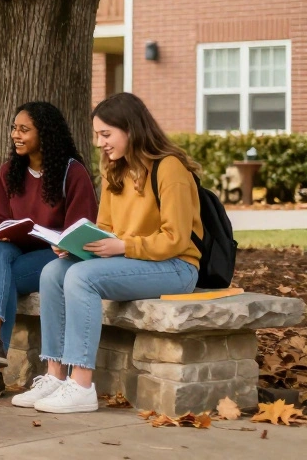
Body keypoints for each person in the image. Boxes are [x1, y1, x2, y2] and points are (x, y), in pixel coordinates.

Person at [14, 92, 202, 414]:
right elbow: (105, 228)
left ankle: (82, 385)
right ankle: (56, 375)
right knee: (53, 272)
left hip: (176, 266)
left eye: (106, 134)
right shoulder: (115, 169)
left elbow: (175, 238)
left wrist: (123, 246)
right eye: (97, 135)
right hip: (132, 259)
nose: (99, 142)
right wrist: (76, 245)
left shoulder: (170, 169)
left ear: (131, 130)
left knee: (81, 278)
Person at [0, 101, 97, 400]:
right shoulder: (10, 172)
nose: (16, 134)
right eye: (14, 128)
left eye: (24, 129)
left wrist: (60, 240)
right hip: (16, 252)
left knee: (2, 277)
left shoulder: (71, 173)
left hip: (55, 258)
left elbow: (82, 228)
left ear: (45, 134)